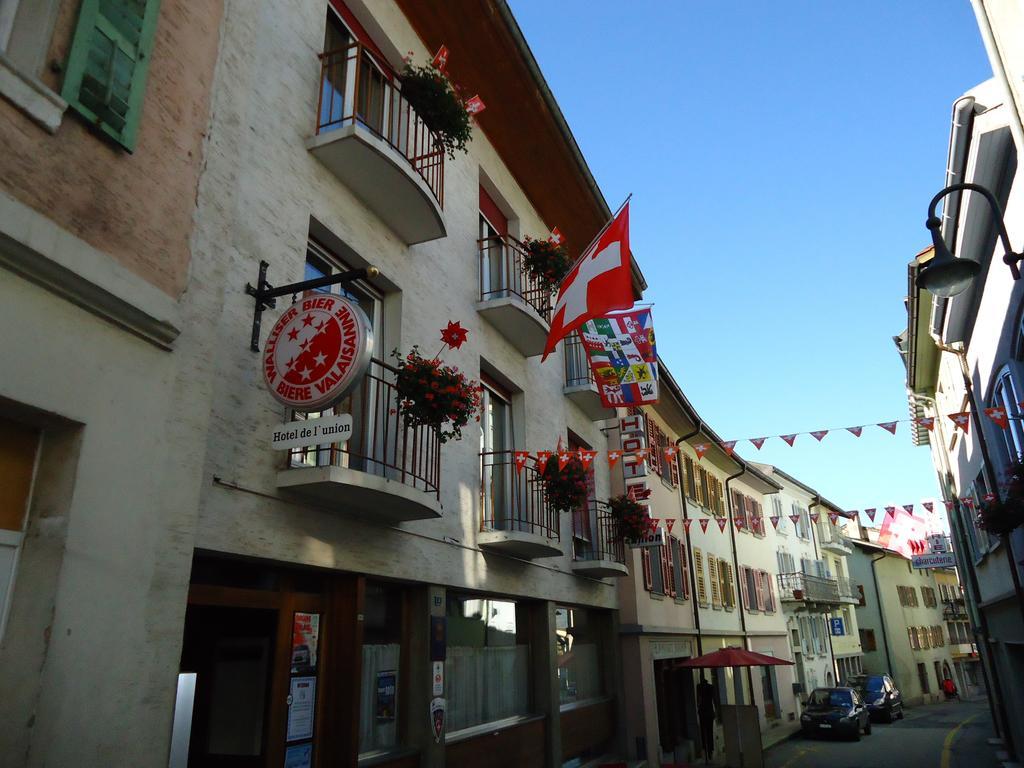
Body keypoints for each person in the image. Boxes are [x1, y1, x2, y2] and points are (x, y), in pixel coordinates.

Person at [696, 675, 718, 763]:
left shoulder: (699, 687)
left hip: (703, 712)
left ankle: (706, 750)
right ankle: (709, 751)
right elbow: (714, 699)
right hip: (709, 712)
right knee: (709, 732)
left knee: (704, 732)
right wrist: (715, 711)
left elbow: (698, 700)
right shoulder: (710, 687)